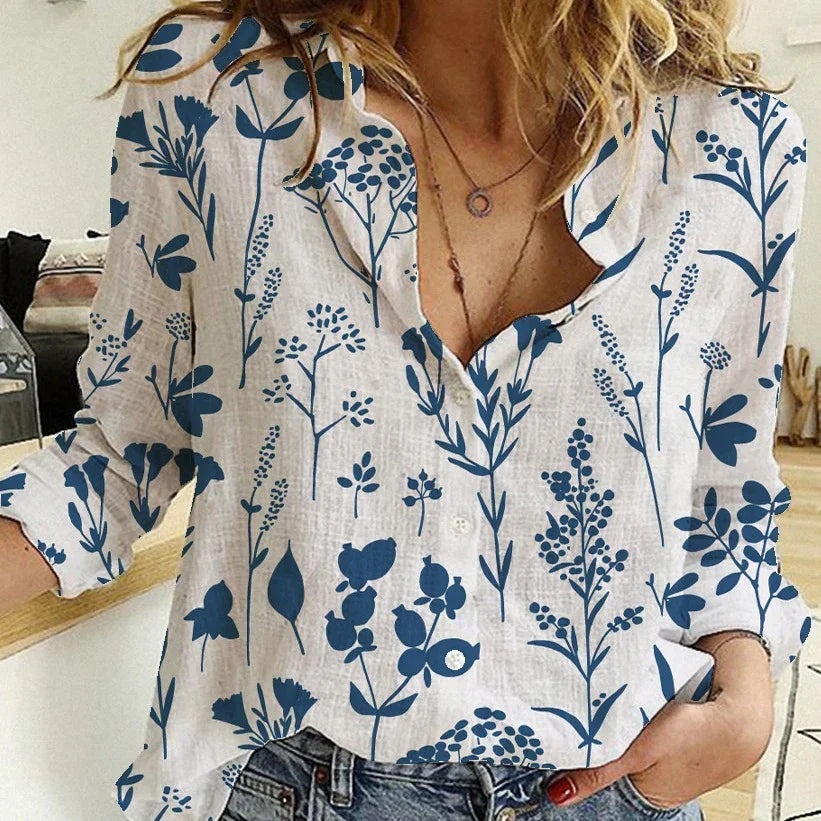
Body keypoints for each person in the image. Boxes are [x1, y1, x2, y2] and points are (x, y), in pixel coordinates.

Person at [0, 1, 812, 819]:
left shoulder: (734, 144)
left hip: (613, 783)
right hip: (301, 788)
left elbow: (722, 497)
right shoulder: (213, 89)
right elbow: (126, 445)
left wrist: (744, 692)